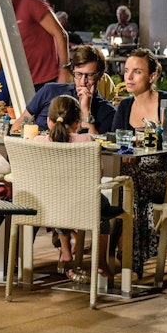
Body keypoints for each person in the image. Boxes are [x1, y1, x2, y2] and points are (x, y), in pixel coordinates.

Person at [111, 48, 167, 277]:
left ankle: (124, 256)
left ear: (152, 76)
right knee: (124, 183)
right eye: (127, 71)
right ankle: (128, 258)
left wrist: (142, 144)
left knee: (127, 183)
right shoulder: (125, 106)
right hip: (133, 177)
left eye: (137, 71)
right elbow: (116, 142)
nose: (129, 77)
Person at [35, 95, 120, 274]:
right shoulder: (87, 141)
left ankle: (66, 252)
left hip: (49, 205)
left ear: (49, 122)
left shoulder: (38, 143)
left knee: (57, 196)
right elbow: (99, 174)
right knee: (103, 208)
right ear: (78, 123)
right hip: (84, 204)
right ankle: (101, 261)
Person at [0, 0, 72, 96]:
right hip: (20, 85)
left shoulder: (29, 2)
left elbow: (60, 33)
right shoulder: (0, 17)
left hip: (46, 80)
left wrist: (64, 71)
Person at [14, 44, 117, 135]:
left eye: (89, 75)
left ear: (101, 75)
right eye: (79, 74)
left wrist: (86, 111)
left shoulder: (108, 111)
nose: (82, 82)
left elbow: (95, 149)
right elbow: (18, 125)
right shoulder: (50, 91)